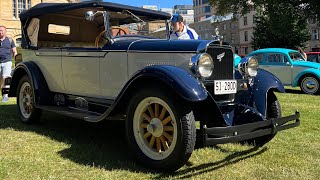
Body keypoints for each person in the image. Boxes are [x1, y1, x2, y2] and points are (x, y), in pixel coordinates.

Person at [0, 25, 17, 102]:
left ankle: (5, 96)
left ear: (5, 31)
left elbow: (14, 51)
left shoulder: (10, 40)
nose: (0, 31)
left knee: (6, 77)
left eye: (1, 30)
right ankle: (3, 94)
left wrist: (16, 61)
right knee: (1, 80)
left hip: (7, 61)